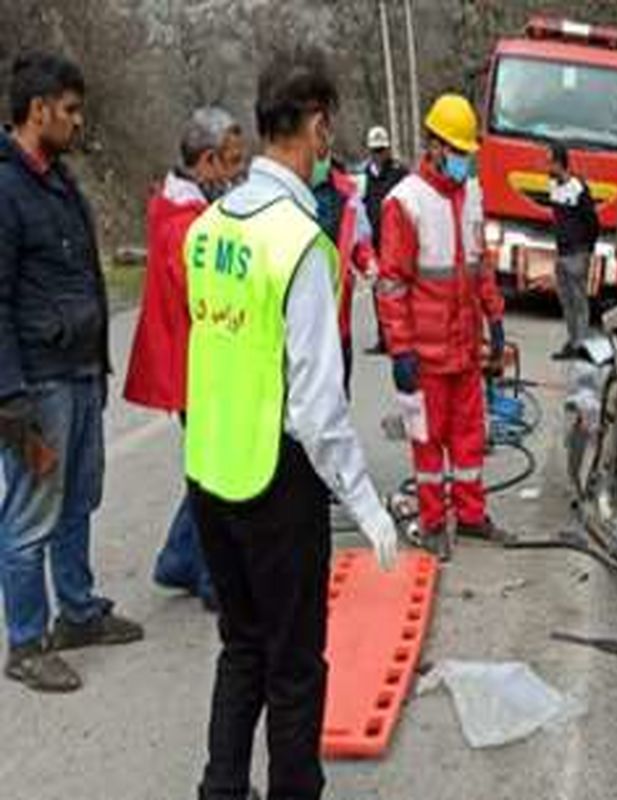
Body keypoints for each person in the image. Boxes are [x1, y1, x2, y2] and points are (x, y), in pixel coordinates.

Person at [183, 47, 399, 800]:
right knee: (296, 665)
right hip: (277, 484)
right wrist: (368, 507)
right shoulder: (300, 243)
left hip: (210, 472)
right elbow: (317, 407)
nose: (326, 148)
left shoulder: (207, 229)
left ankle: (220, 789)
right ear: (314, 126)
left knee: (241, 647)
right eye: (326, 133)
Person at [0, 52, 144, 693]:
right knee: (32, 512)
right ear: (39, 111)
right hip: (37, 382)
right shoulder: (6, 188)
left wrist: (99, 362)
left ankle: (78, 611)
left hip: (79, 370)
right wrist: (9, 395)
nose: (79, 121)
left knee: (78, 498)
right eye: (71, 109)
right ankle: (27, 641)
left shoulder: (56, 180)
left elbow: (82, 274)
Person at [124, 106, 245, 612]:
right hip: (195, 366)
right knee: (214, 473)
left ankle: (179, 557)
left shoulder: (182, 210)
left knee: (204, 468)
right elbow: (206, 295)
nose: (238, 171)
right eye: (232, 162)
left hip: (195, 362)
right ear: (208, 161)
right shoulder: (186, 224)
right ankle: (212, 575)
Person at [378, 93, 507, 561]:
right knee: (428, 444)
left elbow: (481, 266)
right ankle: (433, 522)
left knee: (470, 435)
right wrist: (401, 351)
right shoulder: (405, 203)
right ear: (432, 146)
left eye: (466, 153)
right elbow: (391, 284)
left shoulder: (473, 195)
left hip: (464, 348)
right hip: (426, 354)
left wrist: (494, 316)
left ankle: (471, 515)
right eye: (455, 151)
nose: (462, 161)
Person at [311, 155, 378, 393]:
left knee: (339, 397)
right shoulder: (286, 192)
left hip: (339, 316)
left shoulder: (347, 194)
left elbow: (359, 239)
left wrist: (368, 261)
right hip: (299, 322)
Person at [547, 141, 599, 360]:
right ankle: (572, 339)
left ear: (560, 163)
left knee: (579, 300)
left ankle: (582, 344)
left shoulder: (578, 188)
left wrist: (587, 247)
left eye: (550, 161)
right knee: (566, 301)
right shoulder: (553, 187)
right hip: (562, 252)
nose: (546, 166)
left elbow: (592, 222)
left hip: (578, 252)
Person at [362, 125, 405, 355]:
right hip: (375, 241)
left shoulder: (399, 173)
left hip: (396, 243)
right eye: (374, 151)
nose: (378, 155)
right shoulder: (366, 176)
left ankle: (398, 338)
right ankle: (383, 338)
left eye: (382, 150)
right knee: (378, 292)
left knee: (396, 291)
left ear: (388, 149)